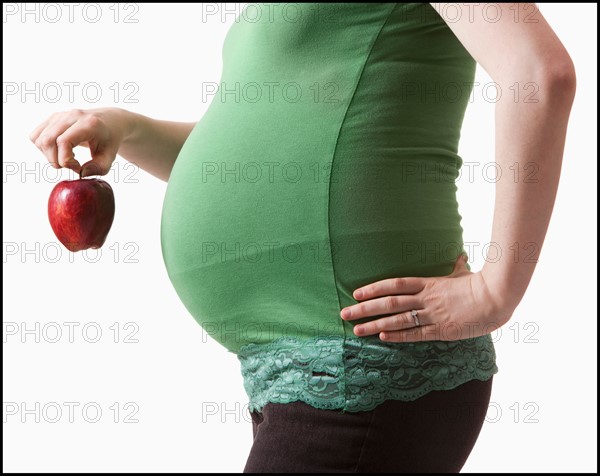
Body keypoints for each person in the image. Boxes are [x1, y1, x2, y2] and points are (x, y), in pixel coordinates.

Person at [30, 3, 575, 473]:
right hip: (304, 376)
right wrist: (125, 127)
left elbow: (539, 71)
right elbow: (256, 164)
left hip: (363, 368)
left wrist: (497, 291)